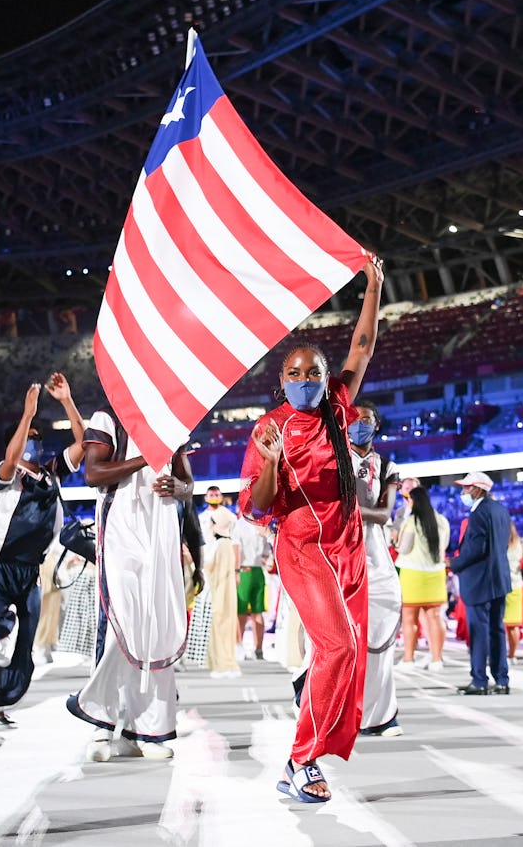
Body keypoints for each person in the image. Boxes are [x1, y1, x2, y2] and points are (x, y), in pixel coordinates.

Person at [237, 255, 383, 803]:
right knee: (339, 645)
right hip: (301, 545)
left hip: (346, 542)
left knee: (347, 649)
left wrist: (372, 287)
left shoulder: (339, 407)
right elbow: (257, 505)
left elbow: (363, 346)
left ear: (326, 379)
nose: (304, 381)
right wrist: (272, 462)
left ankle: (305, 752)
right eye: (294, 374)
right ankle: (302, 760)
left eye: (313, 373)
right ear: (282, 380)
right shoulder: (268, 428)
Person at [66, 403, 197, 763]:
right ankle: (101, 723)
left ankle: (151, 729)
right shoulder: (108, 417)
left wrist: (179, 487)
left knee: (156, 625)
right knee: (118, 624)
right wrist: (146, 458)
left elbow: (188, 484)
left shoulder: (171, 419)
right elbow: (93, 474)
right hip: (122, 527)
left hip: (162, 527)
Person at [0, 374, 84, 724]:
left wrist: (67, 402)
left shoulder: (51, 474)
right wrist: (27, 415)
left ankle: (1, 701)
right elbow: (11, 459)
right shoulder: (9, 475)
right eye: (30, 437)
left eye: (38, 438)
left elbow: (84, 444)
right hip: (0, 564)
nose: (35, 443)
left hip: (31, 570)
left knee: (24, 645)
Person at [350, 397, 403, 738]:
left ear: (377, 425)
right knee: (341, 638)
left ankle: (382, 715)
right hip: (339, 549)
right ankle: (335, 711)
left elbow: (384, 515)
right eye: (354, 419)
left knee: (380, 630)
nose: (360, 424)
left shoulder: (388, 467)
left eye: (367, 419)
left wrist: (348, 513)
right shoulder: (331, 458)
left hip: (374, 551)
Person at [450, 473, 511, 696]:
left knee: (479, 632)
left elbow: (476, 549)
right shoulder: (500, 510)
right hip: (499, 579)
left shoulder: (478, 513)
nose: (463, 492)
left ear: (478, 489)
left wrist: (454, 564)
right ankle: (502, 680)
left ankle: (479, 680)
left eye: (466, 488)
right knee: (497, 630)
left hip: (480, 581)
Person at [395, 486, 449, 672]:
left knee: (409, 619)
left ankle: (408, 660)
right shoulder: (442, 521)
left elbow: (404, 548)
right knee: (435, 617)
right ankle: (437, 660)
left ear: (413, 501)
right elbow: (445, 545)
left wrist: (396, 543)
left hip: (413, 574)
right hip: (435, 574)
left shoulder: (412, 521)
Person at [201, 485, 241, 677]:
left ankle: (224, 660)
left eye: (217, 494)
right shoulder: (202, 518)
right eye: (211, 494)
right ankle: (214, 659)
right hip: (207, 570)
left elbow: (236, 544)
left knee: (223, 613)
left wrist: (236, 571)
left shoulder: (229, 518)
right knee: (212, 615)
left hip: (223, 569)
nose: (214, 497)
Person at [233, 515, 270, 661]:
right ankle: (258, 649)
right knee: (257, 612)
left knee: (241, 612)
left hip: (244, 570)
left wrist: (235, 571)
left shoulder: (239, 525)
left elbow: (236, 549)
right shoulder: (261, 523)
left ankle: (239, 646)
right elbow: (266, 553)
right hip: (258, 571)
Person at [503, 522, 523, 669]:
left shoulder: (499, 544)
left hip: (501, 586)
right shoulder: (519, 544)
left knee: (498, 625)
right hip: (517, 586)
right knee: (513, 625)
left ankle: (499, 654)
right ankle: (512, 655)